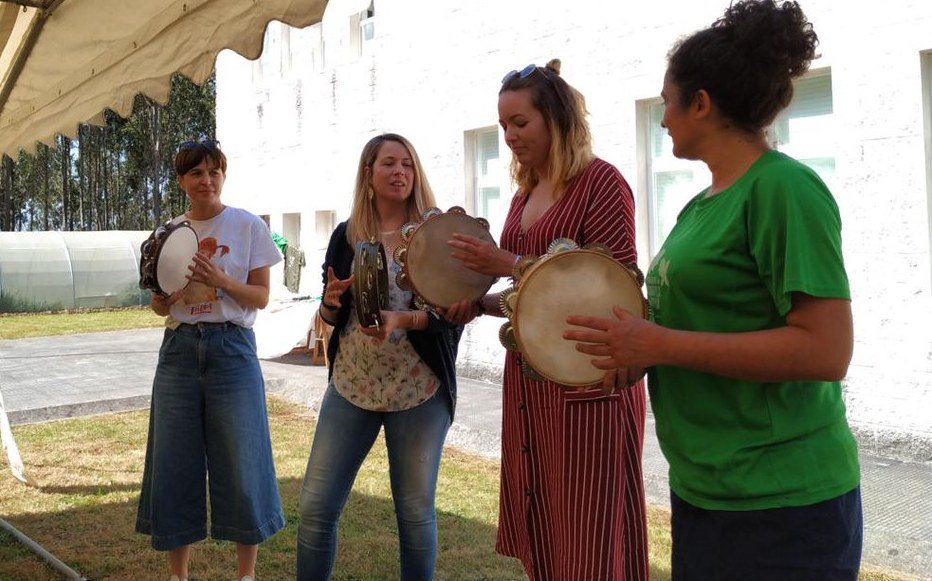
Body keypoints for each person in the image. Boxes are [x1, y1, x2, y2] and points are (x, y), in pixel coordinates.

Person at [565, 1, 863, 579]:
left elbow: (827, 351)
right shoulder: (699, 207)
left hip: (783, 503)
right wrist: (631, 353)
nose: (662, 119)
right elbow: (695, 328)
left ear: (701, 103)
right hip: (707, 489)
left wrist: (659, 346)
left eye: (668, 102)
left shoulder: (784, 189)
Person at [448, 60, 649, 580]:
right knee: (545, 535)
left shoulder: (601, 184)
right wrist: (477, 304)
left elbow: (616, 295)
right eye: (503, 126)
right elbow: (528, 300)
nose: (510, 136)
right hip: (530, 388)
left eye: (521, 122)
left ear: (556, 119)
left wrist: (507, 264)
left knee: (591, 542)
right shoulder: (523, 196)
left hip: (589, 389)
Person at [296, 133, 474, 580]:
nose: (400, 172)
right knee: (316, 509)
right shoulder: (346, 235)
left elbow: (450, 316)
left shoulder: (435, 232)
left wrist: (402, 320)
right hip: (352, 384)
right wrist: (331, 303)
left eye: (407, 164)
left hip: (418, 389)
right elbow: (330, 315)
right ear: (368, 175)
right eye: (389, 164)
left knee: (415, 515)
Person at [136, 140, 285, 581]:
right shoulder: (168, 232)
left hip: (231, 350)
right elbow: (159, 307)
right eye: (196, 173)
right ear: (181, 181)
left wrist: (220, 281)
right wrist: (167, 298)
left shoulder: (247, 226)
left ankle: (246, 575)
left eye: (214, 171)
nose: (207, 180)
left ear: (223, 176)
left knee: (242, 459)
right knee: (174, 460)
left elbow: (260, 296)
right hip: (179, 352)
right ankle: (178, 575)